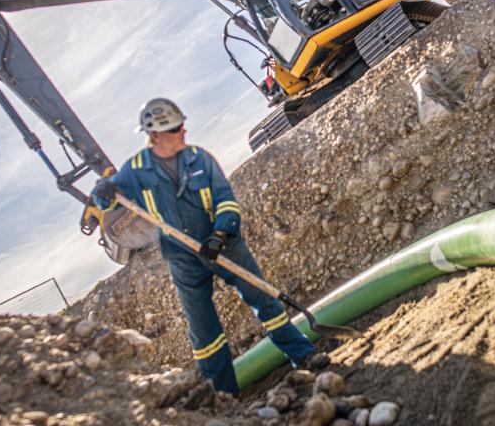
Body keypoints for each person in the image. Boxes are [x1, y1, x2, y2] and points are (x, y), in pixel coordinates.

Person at [92, 97, 327, 395]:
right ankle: (223, 395)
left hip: (225, 244)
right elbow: (108, 199)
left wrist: (220, 234)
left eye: (180, 126)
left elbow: (226, 199)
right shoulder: (136, 169)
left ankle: (302, 354)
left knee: (263, 299)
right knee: (204, 331)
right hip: (183, 256)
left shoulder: (199, 159)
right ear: (154, 136)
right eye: (174, 129)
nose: (182, 133)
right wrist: (102, 191)